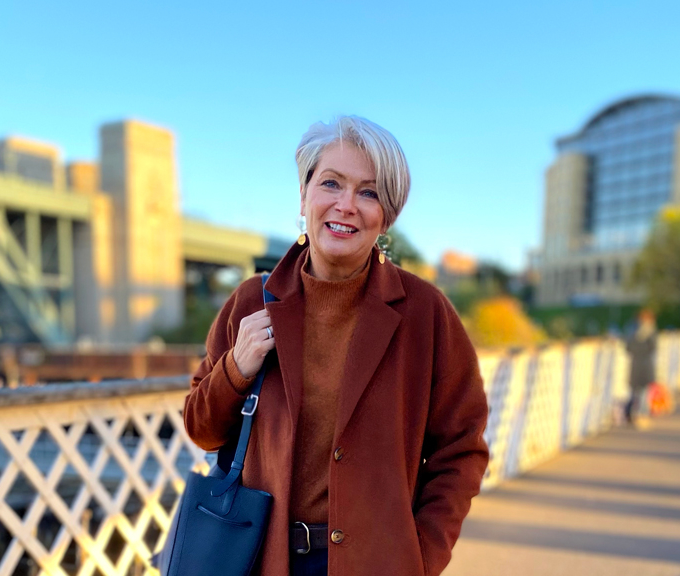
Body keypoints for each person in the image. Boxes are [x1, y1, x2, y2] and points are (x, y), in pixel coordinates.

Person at [183, 117, 490, 576]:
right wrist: (236, 368)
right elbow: (200, 429)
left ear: (386, 215)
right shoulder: (251, 301)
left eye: (368, 192)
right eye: (331, 183)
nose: (346, 205)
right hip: (262, 559)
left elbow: (461, 450)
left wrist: (420, 558)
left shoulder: (425, 313)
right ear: (304, 196)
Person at [625, 310, 657, 429]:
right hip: (644, 365)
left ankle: (634, 414)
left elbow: (629, 348)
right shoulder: (649, 332)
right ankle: (641, 416)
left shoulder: (631, 331)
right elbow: (653, 348)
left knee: (637, 392)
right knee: (642, 393)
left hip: (637, 365)